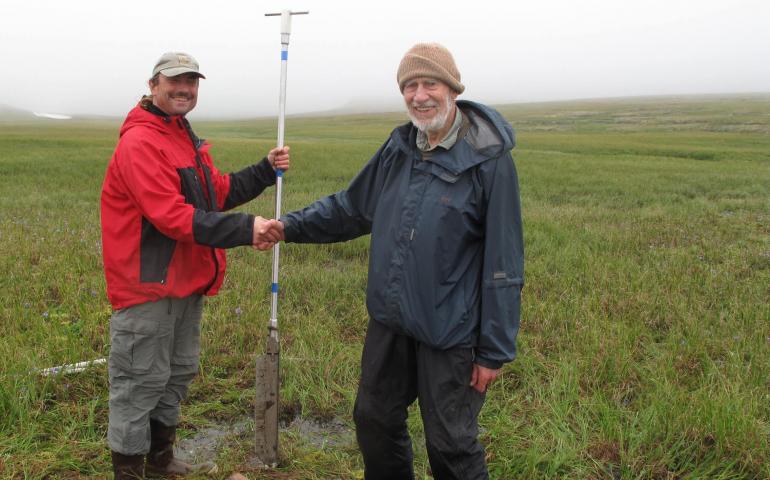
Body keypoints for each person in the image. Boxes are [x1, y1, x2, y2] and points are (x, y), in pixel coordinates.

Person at [275, 43, 524, 479]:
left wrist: (493, 351)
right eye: (410, 85)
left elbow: (504, 262)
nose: (419, 95)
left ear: (452, 88)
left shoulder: (489, 161)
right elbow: (351, 209)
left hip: (451, 329)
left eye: (429, 83)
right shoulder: (400, 148)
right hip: (391, 320)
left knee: (450, 443)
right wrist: (286, 226)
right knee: (374, 418)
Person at [100, 52, 286, 479]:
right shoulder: (141, 142)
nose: (185, 89)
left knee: (177, 373)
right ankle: (129, 472)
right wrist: (247, 229)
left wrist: (263, 169)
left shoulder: (179, 135)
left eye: (192, 82)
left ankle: (160, 461)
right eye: (175, 81)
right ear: (153, 85)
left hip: (185, 284)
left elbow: (214, 192)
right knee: (138, 384)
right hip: (148, 286)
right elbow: (171, 215)